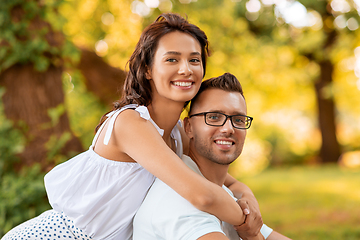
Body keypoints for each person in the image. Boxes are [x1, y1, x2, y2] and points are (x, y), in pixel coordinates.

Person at [2, 14, 260, 240]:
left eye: (194, 60)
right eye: (172, 59)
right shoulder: (131, 123)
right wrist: (246, 222)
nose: (186, 69)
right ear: (147, 69)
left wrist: (247, 196)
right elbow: (202, 195)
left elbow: (227, 182)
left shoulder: (178, 134)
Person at [133, 73, 292, 240]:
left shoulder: (224, 194)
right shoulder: (178, 202)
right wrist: (253, 236)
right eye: (214, 117)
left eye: (238, 119)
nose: (228, 128)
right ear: (189, 128)